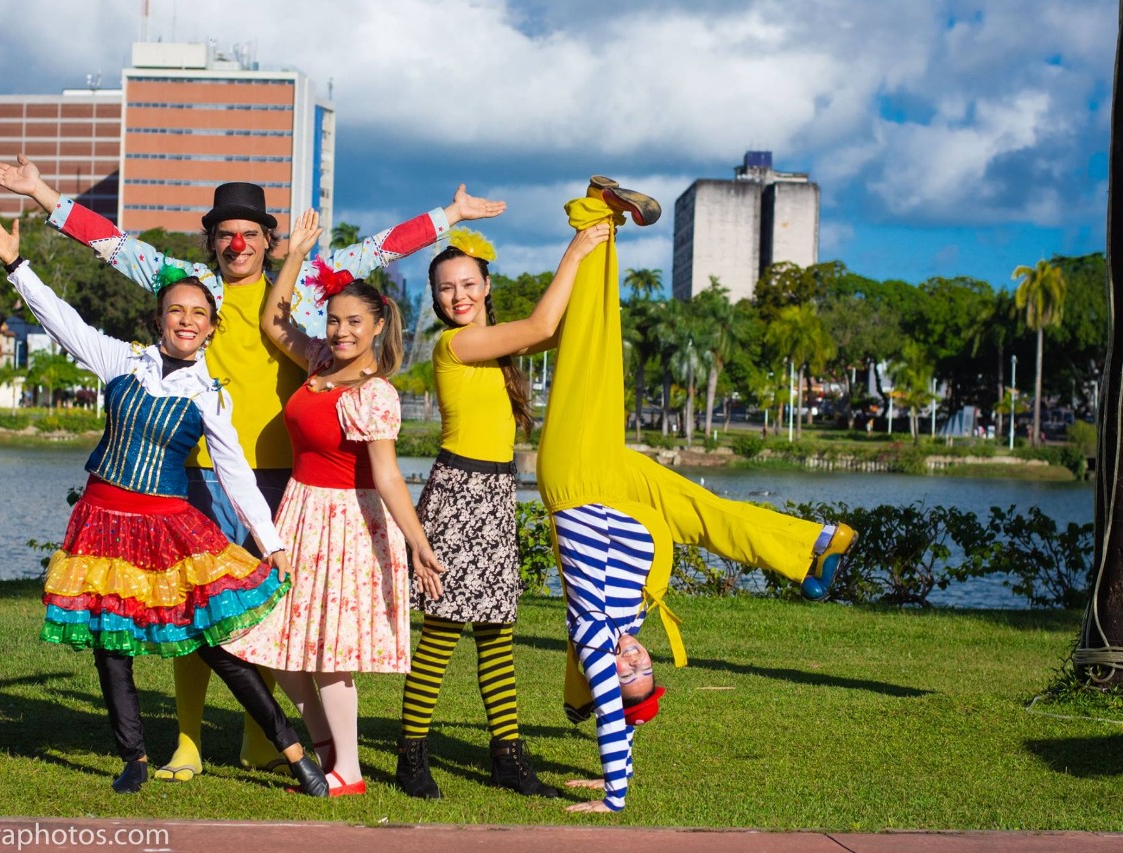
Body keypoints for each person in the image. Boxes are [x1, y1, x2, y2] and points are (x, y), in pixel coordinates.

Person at [0, 155, 504, 782]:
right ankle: (189, 742)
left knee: (263, 614)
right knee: (193, 605)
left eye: (251, 233)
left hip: (285, 481)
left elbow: (378, 250)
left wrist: (451, 215)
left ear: (267, 241)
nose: (238, 244)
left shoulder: (308, 283)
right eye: (227, 233)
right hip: (195, 474)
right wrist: (39, 190)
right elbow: (112, 246)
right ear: (212, 241)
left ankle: (262, 735)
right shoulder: (190, 283)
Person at [536, 177, 857, 813]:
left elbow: (609, 697)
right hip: (611, 490)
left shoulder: (598, 641)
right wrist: (614, 760)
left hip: (582, 478)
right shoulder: (624, 624)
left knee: (592, 347)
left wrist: (612, 789)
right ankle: (813, 545)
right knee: (706, 514)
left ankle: (597, 212)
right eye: (642, 669)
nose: (634, 661)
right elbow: (618, 701)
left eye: (625, 674)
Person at [0, 213, 328, 798]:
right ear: (160, 319)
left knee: (213, 640)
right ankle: (134, 756)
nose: (187, 320)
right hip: (102, 521)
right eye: (177, 310)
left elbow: (237, 474)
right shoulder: (121, 361)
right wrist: (18, 267)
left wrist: (271, 544)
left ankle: (294, 751)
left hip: (168, 527)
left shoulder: (209, 396)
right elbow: (61, 320)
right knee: (109, 642)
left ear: (212, 329)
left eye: (199, 313)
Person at [222, 210, 444, 796]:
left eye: (353, 323)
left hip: (346, 522)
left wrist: (418, 544)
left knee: (328, 650)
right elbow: (273, 318)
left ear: (376, 327)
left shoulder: (374, 393)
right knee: (279, 641)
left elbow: (389, 477)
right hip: (297, 513)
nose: (341, 331)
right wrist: (293, 253)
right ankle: (324, 747)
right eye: (334, 320)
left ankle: (348, 768)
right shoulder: (320, 364)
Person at [393, 222, 610, 800]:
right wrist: (577, 248)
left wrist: (597, 263)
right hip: (460, 493)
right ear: (436, 300)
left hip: (493, 494)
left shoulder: (499, 349)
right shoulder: (453, 345)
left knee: (496, 634)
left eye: (467, 284)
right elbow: (543, 324)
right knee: (441, 632)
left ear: (487, 286)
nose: (457, 296)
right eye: (445, 288)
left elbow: (561, 330)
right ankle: (410, 757)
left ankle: (507, 760)